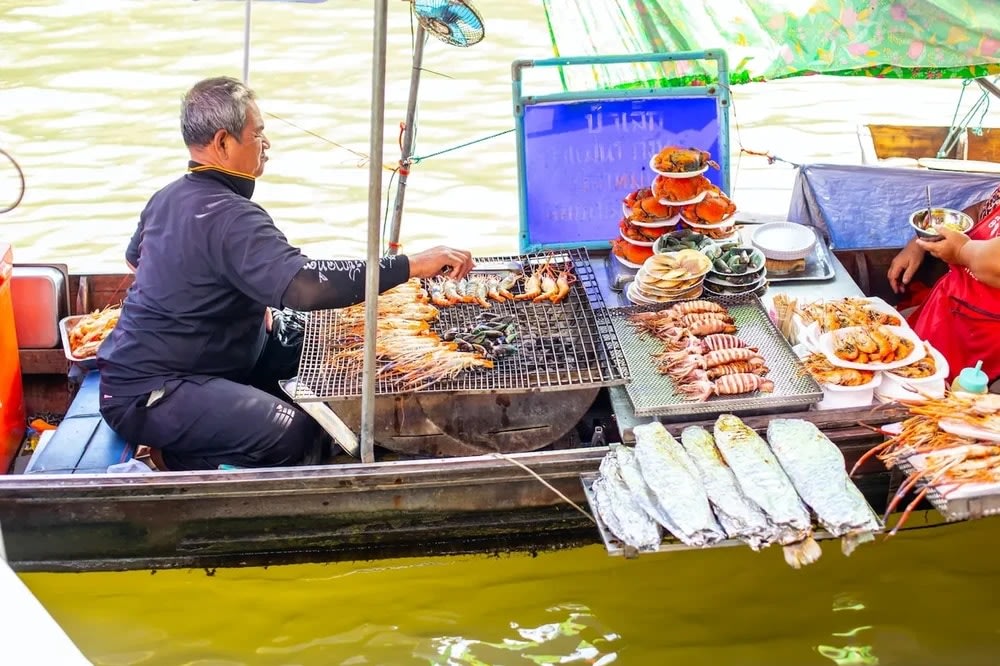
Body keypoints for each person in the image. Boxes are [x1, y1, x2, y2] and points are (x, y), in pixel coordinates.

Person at [97, 76, 474, 471]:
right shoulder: (231, 216)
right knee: (293, 434)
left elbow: (135, 261)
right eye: (258, 134)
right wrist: (409, 265)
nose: (267, 143)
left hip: (214, 362)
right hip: (152, 390)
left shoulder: (169, 196)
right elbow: (305, 286)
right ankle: (179, 459)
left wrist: (231, 302)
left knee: (317, 354)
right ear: (224, 143)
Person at [887, 183, 1000, 383]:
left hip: (983, 336)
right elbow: (979, 211)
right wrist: (924, 240)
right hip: (950, 306)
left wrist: (960, 251)